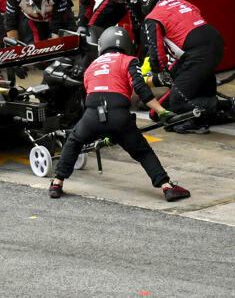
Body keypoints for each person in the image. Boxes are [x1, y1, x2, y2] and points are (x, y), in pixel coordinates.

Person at [49, 26, 191, 202]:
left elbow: (88, 97)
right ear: (126, 45)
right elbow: (140, 88)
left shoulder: (92, 65)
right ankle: (167, 187)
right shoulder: (129, 60)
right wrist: (161, 111)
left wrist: (102, 130)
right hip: (120, 117)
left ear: (103, 45)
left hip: (92, 115)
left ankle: (57, 183)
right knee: (143, 152)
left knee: (74, 141)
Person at [132, 0, 235, 133]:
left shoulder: (153, 17)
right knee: (157, 113)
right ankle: (216, 114)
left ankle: (229, 105)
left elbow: (158, 57)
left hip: (197, 54)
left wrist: (160, 74)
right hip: (213, 44)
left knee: (178, 102)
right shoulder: (182, 2)